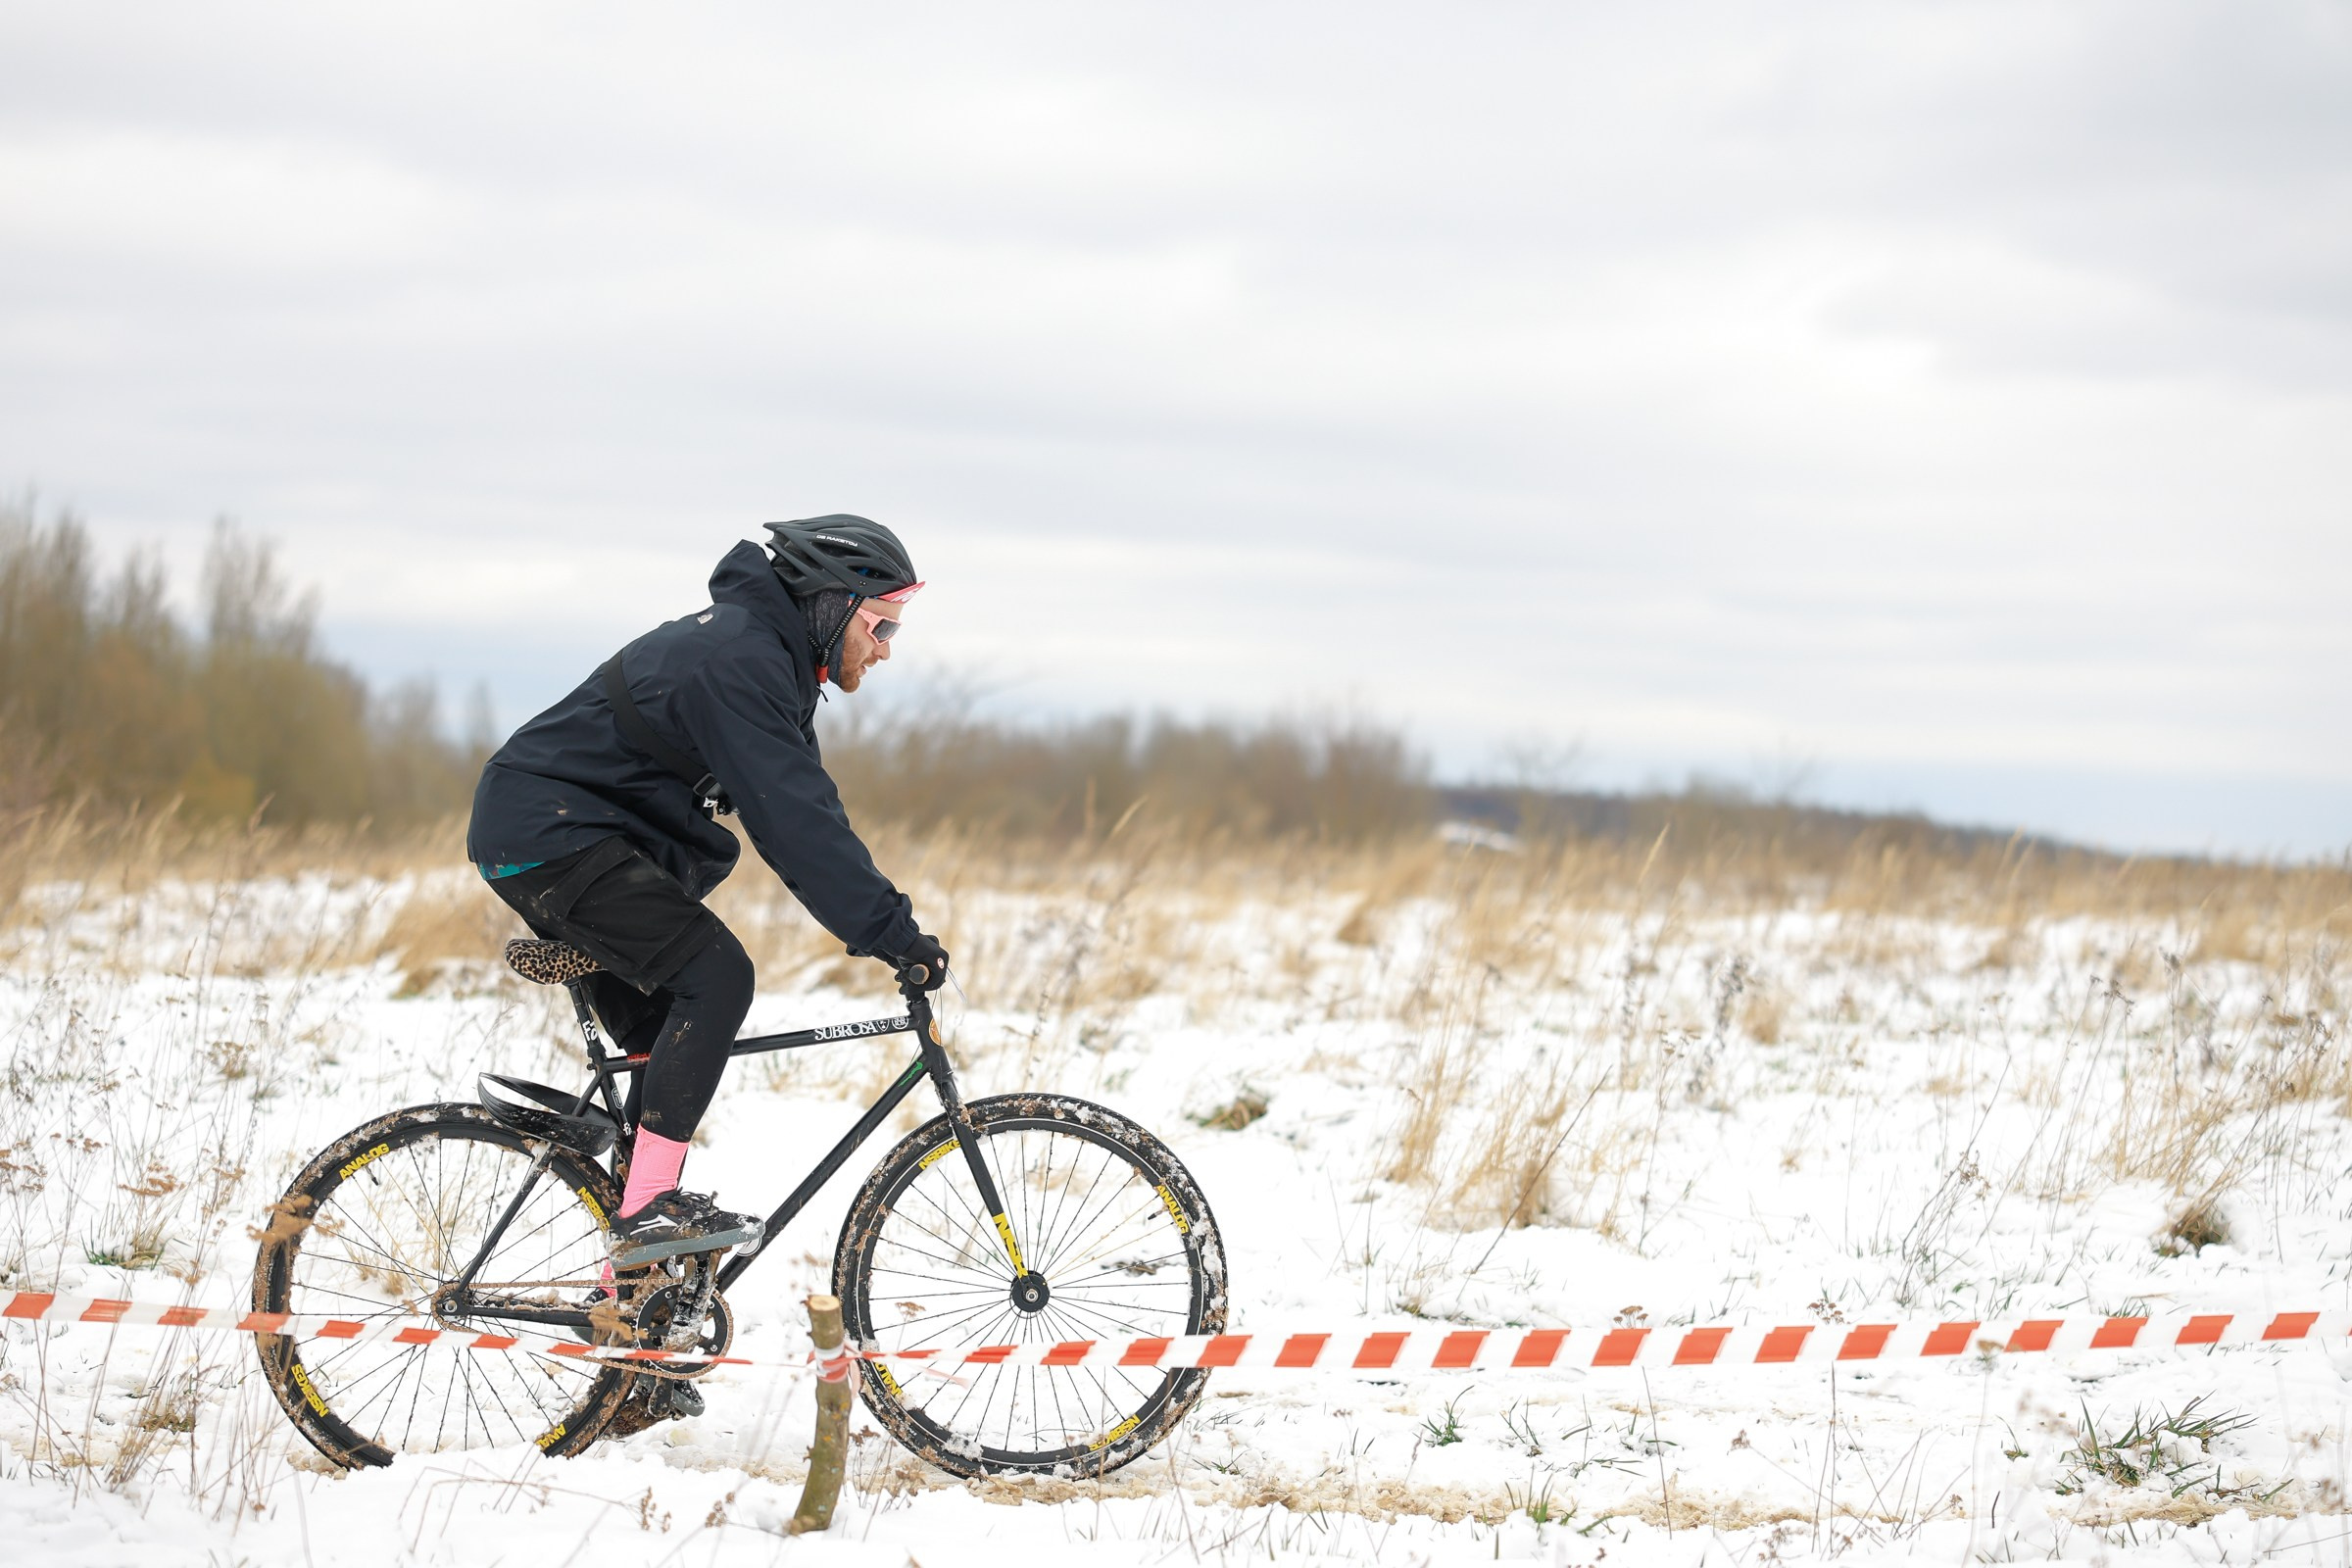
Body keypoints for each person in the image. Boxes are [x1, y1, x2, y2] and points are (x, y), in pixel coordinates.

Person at [466, 515, 948, 1268]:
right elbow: (796, 827)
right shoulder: (740, 662)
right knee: (718, 976)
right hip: (549, 832)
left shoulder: (768, 663)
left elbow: (809, 809)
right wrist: (893, 934)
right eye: (882, 625)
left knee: (668, 1046)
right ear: (828, 607)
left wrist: (883, 924)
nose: (886, 650)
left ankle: (633, 1319)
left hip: (559, 831)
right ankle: (649, 1215)